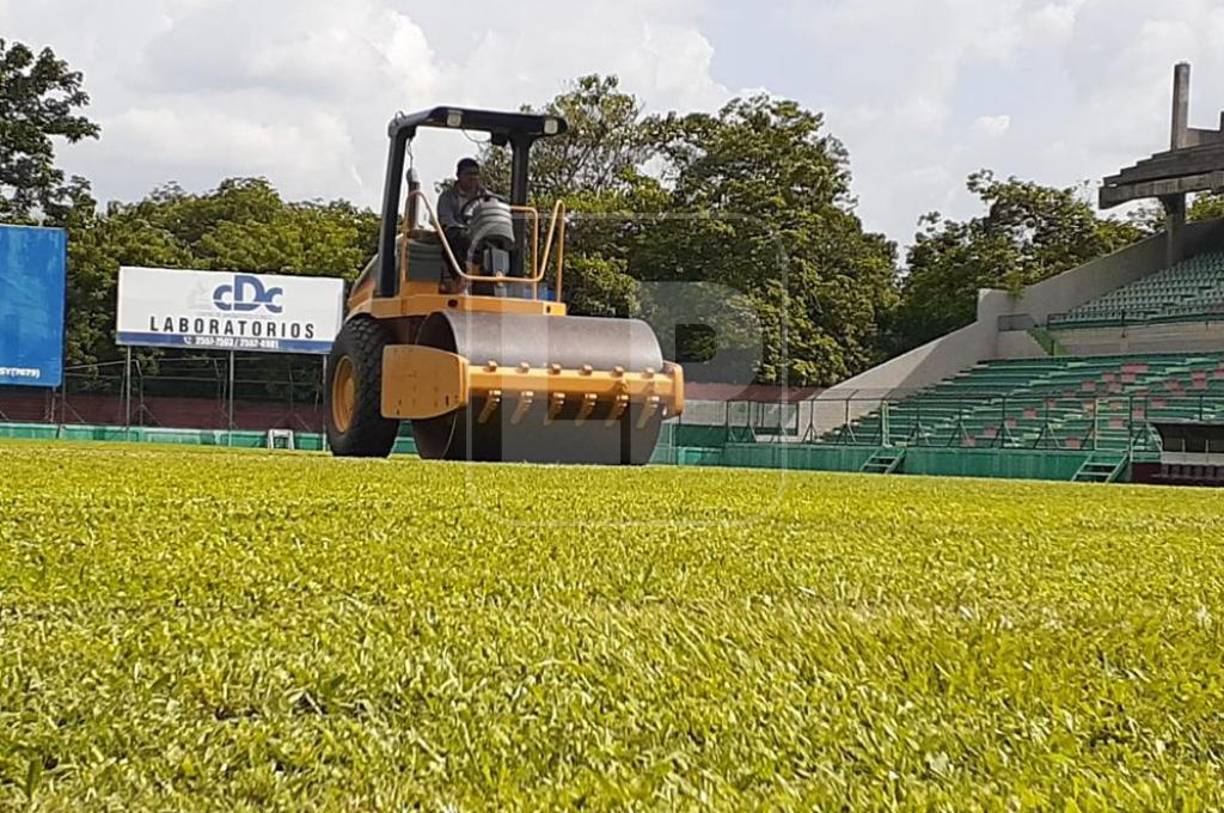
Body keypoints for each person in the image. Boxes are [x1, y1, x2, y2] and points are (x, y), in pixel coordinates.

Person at [437, 157, 485, 268]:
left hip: (482, 235)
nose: (473, 178)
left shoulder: (487, 196)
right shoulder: (447, 198)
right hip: (459, 238)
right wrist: (466, 231)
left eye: (476, 174)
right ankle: (460, 276)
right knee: (454, 236)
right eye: (469, 174)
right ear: (458, 175)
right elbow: (447, 222)